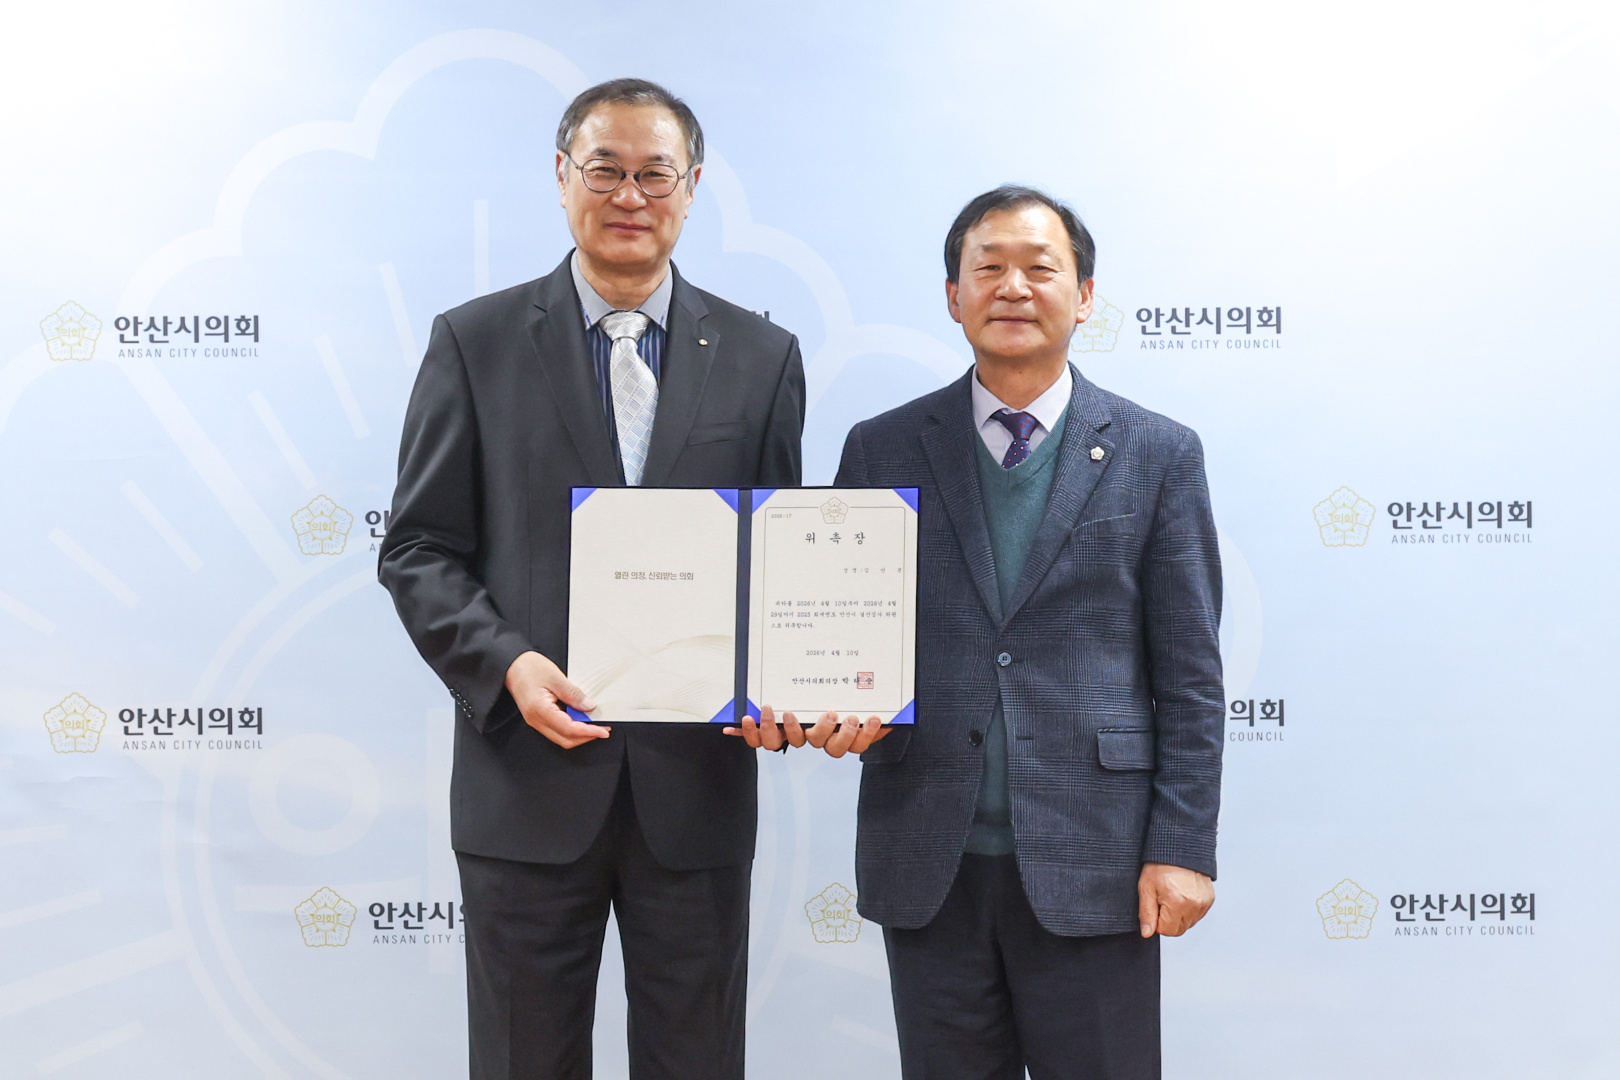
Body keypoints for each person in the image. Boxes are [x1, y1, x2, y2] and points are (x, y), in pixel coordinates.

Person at [735, 185, 1222, 1078]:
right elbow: (838, 631)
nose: (1013, 287)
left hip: (1098, 859)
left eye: (1040, 268)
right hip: (931, 853)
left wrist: (1182, 848)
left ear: (1084, 296)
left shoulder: (1159, 453)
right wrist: (810, 704)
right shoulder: (882, 448)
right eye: (987, 267)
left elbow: (1190, 679)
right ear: (953, 296)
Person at [379, 78, 804, 1080]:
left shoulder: (762, 356)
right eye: (604, 170)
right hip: (525, 787)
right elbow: (418, 548)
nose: (629, 195)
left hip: (695, 790)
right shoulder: (474, 343)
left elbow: (779, 564)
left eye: (655, 173)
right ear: (562, 177)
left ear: (692, 188)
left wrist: (788, 675)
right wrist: (505, 663)